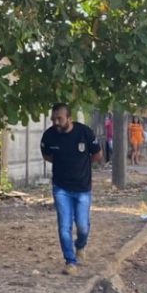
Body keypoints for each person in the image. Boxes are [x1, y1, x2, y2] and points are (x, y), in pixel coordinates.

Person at [40, 103, 102, 274]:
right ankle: (70, 261)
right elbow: (47, 155)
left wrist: (81, 165)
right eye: (53, 119)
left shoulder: (85, 133)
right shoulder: (49, 136)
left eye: (59, 119)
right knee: (64, 226)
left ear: (69, 118)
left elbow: (98, 155)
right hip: (61, 188)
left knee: (83, 226)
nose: (56, 122)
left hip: (83, 188)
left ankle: (80, 246)